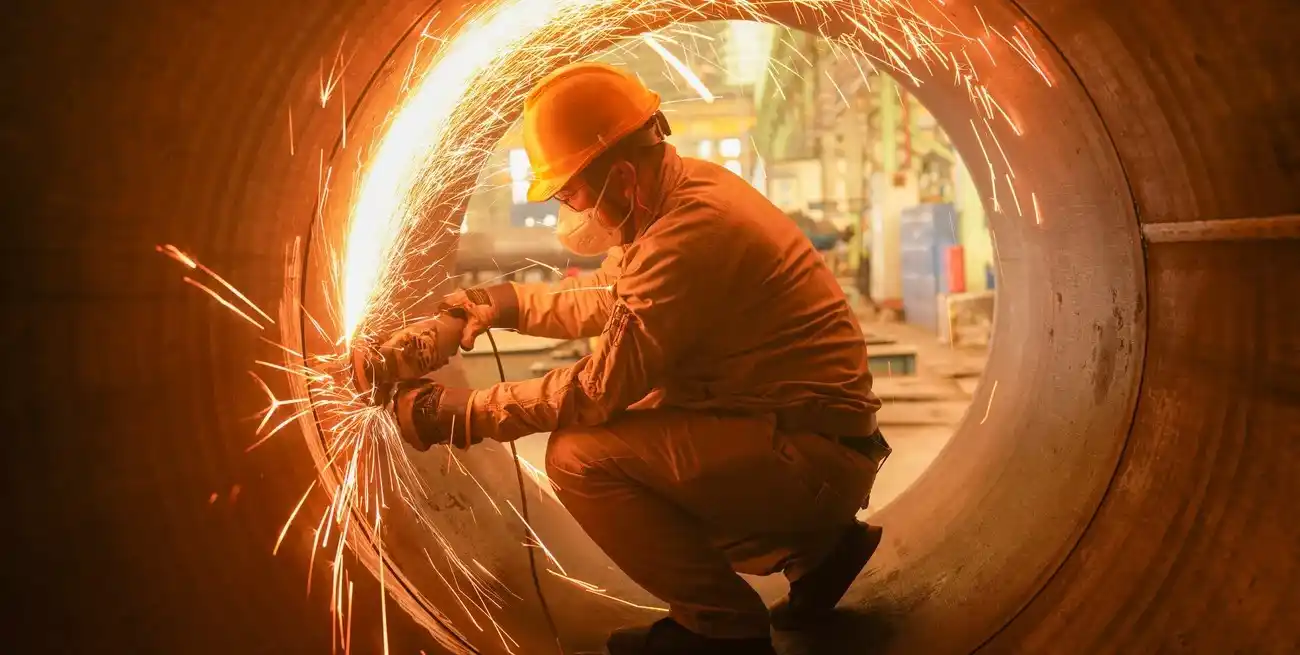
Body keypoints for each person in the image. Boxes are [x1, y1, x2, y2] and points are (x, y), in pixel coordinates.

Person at [382, 61, 891, 655]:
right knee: (647, 413)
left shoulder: (687, 238)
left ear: (622, 177)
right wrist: (498, 303)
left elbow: (597, 390)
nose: (568, 212)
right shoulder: (681, 197)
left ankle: (723, 631)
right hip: (814, 442)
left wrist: (464, 414)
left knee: (581, 456)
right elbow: (607, 298)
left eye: (570, 194)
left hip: (811, 459)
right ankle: (823, 552)